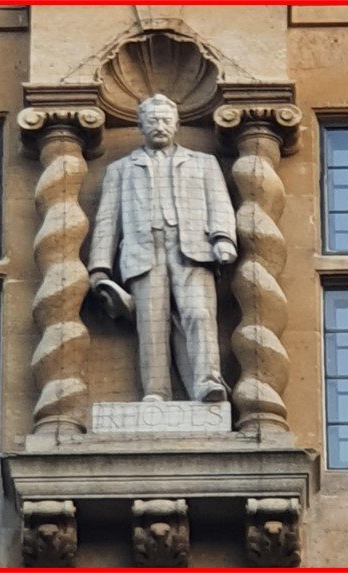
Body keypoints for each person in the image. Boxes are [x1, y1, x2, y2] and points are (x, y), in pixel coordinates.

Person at [88, 93, 237, 403]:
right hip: (144, 252)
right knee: (151, 324)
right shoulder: (121, 169)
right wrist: (99, 268)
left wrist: (223, 238)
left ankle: (208, 382)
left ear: (177, 124)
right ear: (141, 126)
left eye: (165, 120)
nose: (159, 125)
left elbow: (219, 203)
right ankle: (156, 391)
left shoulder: (203, 163)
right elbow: (107, 220)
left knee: (199, 313)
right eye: (152, 120)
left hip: (193, 249)